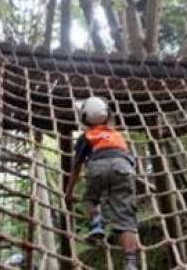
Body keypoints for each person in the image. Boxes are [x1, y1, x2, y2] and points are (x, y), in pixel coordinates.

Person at [65, 97, 138, 270]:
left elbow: (76, 166)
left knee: (91, 199)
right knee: (126, 217)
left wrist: (69, 192)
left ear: (84, 118)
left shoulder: (87, 136)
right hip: (123, 167)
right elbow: (128, 159)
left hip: (97, 165)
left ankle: (97, 224)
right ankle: (130, 263)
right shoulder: (117, 135)